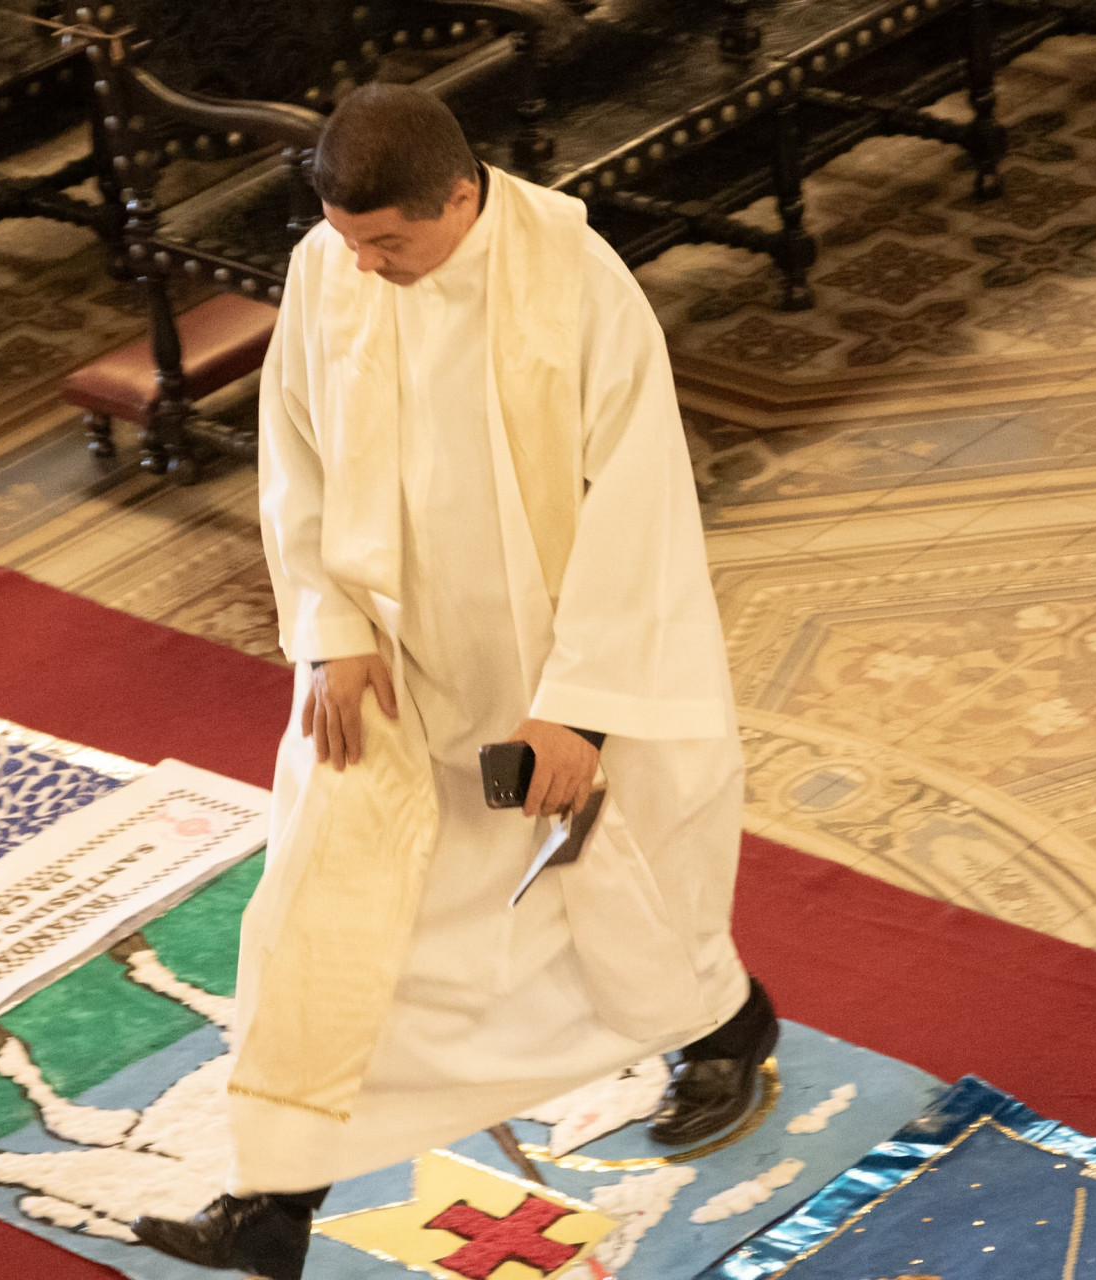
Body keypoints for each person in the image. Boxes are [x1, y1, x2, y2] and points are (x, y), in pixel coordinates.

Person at [133, 83, 777, 1279]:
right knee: (318, 910)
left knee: (609, 889)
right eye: (347, 240)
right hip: (385, 659)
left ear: (464, 198)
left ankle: (730, 1024)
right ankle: (272, 1205)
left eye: (391, 242)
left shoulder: (578, 286)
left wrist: (580, 705)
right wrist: (328, 626)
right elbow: (296, 452)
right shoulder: (329, 266)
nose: (366, 268)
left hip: (550, 660)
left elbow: (638, 505)